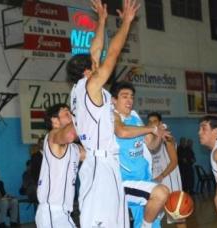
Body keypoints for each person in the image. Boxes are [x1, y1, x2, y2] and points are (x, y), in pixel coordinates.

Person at [67, 0, 140, 227]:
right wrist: (126, 22)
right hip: (99, 164)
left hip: (102, 163)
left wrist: (101, 20)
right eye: (94, 64)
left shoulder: (79, 90)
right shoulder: (91, 87)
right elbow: (113, 53)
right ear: (88, 72)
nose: (97, 63)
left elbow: (96, 50)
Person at [110, 81, 170, 228]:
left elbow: (151, 145)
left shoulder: (135, 117)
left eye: (131, 96)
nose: (130, 100)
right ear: (114, 100)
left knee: (152, 220)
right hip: (125, 181)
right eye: (124, 96)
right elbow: (122, 132)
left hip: (144, 179)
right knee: (161, 193)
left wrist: (159, 136)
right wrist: (150, 128)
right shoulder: (112, 115)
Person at [35, 104, 85, 228]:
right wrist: (84, 114)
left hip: (64, 212)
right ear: (54, 120)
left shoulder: (74, 148)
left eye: (71, 114)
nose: (71, 116)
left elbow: (93, 156)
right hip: (52, 211)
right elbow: (70, 135)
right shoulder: (52, 136)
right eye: (67, 113)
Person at [147, 112, 187, 228]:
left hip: (171, 183)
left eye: (154, 121)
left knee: (178, 218)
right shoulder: (149, 141)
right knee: (152, 218)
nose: (152, 124)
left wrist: (162, 175)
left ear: (160, 123)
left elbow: (174, 161)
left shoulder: (167, 138)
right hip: (156, 185)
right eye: (149, 122)